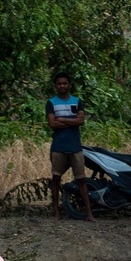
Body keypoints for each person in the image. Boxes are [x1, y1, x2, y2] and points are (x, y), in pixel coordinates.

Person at [46, 72, 94, 222]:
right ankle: (56, 212)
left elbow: (81, 121)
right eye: (59, 83)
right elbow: (52, 124)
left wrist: (61, 119)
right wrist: (72, 121)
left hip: (75, 147)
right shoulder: (51, 102)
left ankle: (89, 213)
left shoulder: (77, 101)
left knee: (81, 179)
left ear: (69, 85)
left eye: (64, 83)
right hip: (58, 147)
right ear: (55, 86)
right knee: (56, 178)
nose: (62, 86)